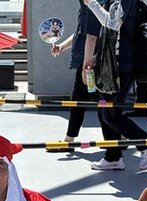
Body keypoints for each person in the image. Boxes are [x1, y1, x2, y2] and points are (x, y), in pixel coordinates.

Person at [84, 0, 147, 170]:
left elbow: (112, 24)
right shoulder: (113, 1)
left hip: (123, 66)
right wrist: (96, 58)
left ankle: (146, 143)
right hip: (110, 65)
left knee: (111, 114)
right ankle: (113, 157)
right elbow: (110, 35)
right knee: (104, 111)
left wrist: (92, 3)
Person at [47, 0, 103, 153]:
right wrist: (62, 46)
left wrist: (86, 67)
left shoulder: (92, 6)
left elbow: (92, 37)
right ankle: (70, 139)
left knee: (99, 102)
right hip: (87, 62)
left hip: (90, 63)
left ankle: (121, 138)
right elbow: (80, 33)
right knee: (88, 101)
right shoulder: (87, 7)